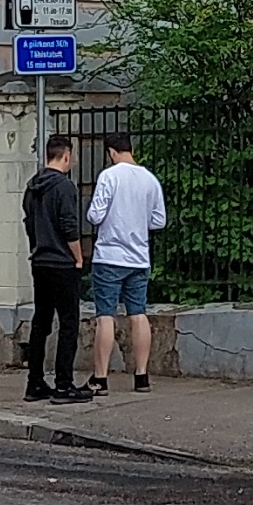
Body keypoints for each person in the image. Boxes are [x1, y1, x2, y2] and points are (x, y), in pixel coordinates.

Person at [85, 130, 167, 393]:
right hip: (139, 257)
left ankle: (101, 377)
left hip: (109, 256)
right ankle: (141, 376)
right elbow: (159, 220)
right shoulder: (149, 179)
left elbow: (95, 216)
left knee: (105, 316)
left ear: (111, 152)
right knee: (138, 314)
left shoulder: (109, 176)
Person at [21, 131, 92, 404]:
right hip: (62, 262)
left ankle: (35, 382)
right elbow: (69, 227)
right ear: (66, 155)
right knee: (68, 323)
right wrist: (78, 257)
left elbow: (29, 222)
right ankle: (64, 385)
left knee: (41, 321)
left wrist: (38, 247)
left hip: (39, 261)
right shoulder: (64, 187)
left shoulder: (32, 186)